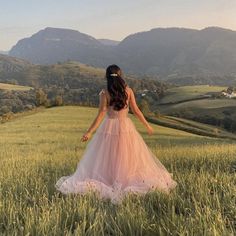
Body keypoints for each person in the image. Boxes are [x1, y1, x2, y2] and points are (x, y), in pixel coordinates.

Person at [55, 64, 177, 204]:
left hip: (109, 127)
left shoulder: (104, 92)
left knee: (107, 157)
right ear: (120, 75)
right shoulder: (128, 91)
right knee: (127, 156)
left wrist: (89, 132)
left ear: (107, 77)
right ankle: (124, 179)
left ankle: (111, 180)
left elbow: (101, 114)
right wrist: (147, 125)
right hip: (126, 126)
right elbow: (136, 110)